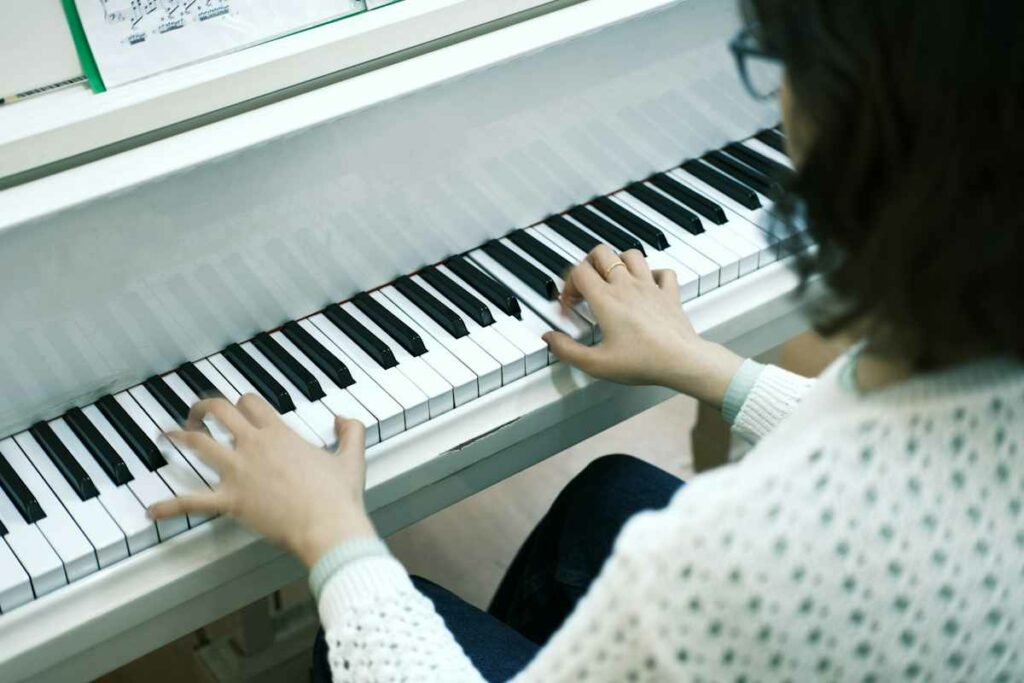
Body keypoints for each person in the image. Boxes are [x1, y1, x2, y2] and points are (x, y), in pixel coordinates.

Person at [149, 0, 1024, 679]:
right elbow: (915, 451)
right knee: (606, 495)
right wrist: (707, 366)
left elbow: (812, 531)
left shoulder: (747, 550)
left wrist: (328, 527)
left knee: (364, 622)